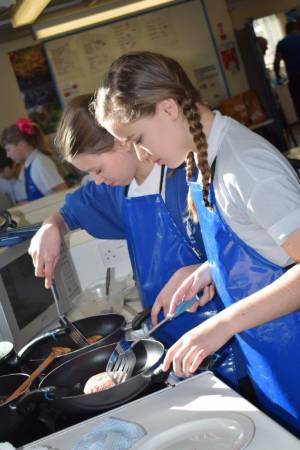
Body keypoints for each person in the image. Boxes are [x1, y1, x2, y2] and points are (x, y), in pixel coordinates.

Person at [94, 51, 300, 435]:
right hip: (271, 357)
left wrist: (222, 324)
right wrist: (213, 269)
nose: (142, 155)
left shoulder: (246, 165)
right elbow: (261, 240)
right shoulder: (203, 157)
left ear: (169, 108)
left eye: (137, 139)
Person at [29, 94, 241, 388]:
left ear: (122, 141)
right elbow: (67, 213)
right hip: (169, 335)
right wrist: (50, 227)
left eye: (97, 170)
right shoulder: (119, 191)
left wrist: (206, 268)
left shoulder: (184, 173)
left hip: (224, 342)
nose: (97, 180)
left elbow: (245, 249)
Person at [1, 118, 67, 201]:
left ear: (21, 145)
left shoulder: (40, 163)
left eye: (8, 149)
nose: (8, 155)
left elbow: (64, 192)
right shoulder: (27, 166)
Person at [274, 21, 300, 121]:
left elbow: (277, 62)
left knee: (298, 103)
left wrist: (277, 76)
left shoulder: (282, 43)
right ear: (296, 28)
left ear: (286, 31)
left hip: (294, 79)